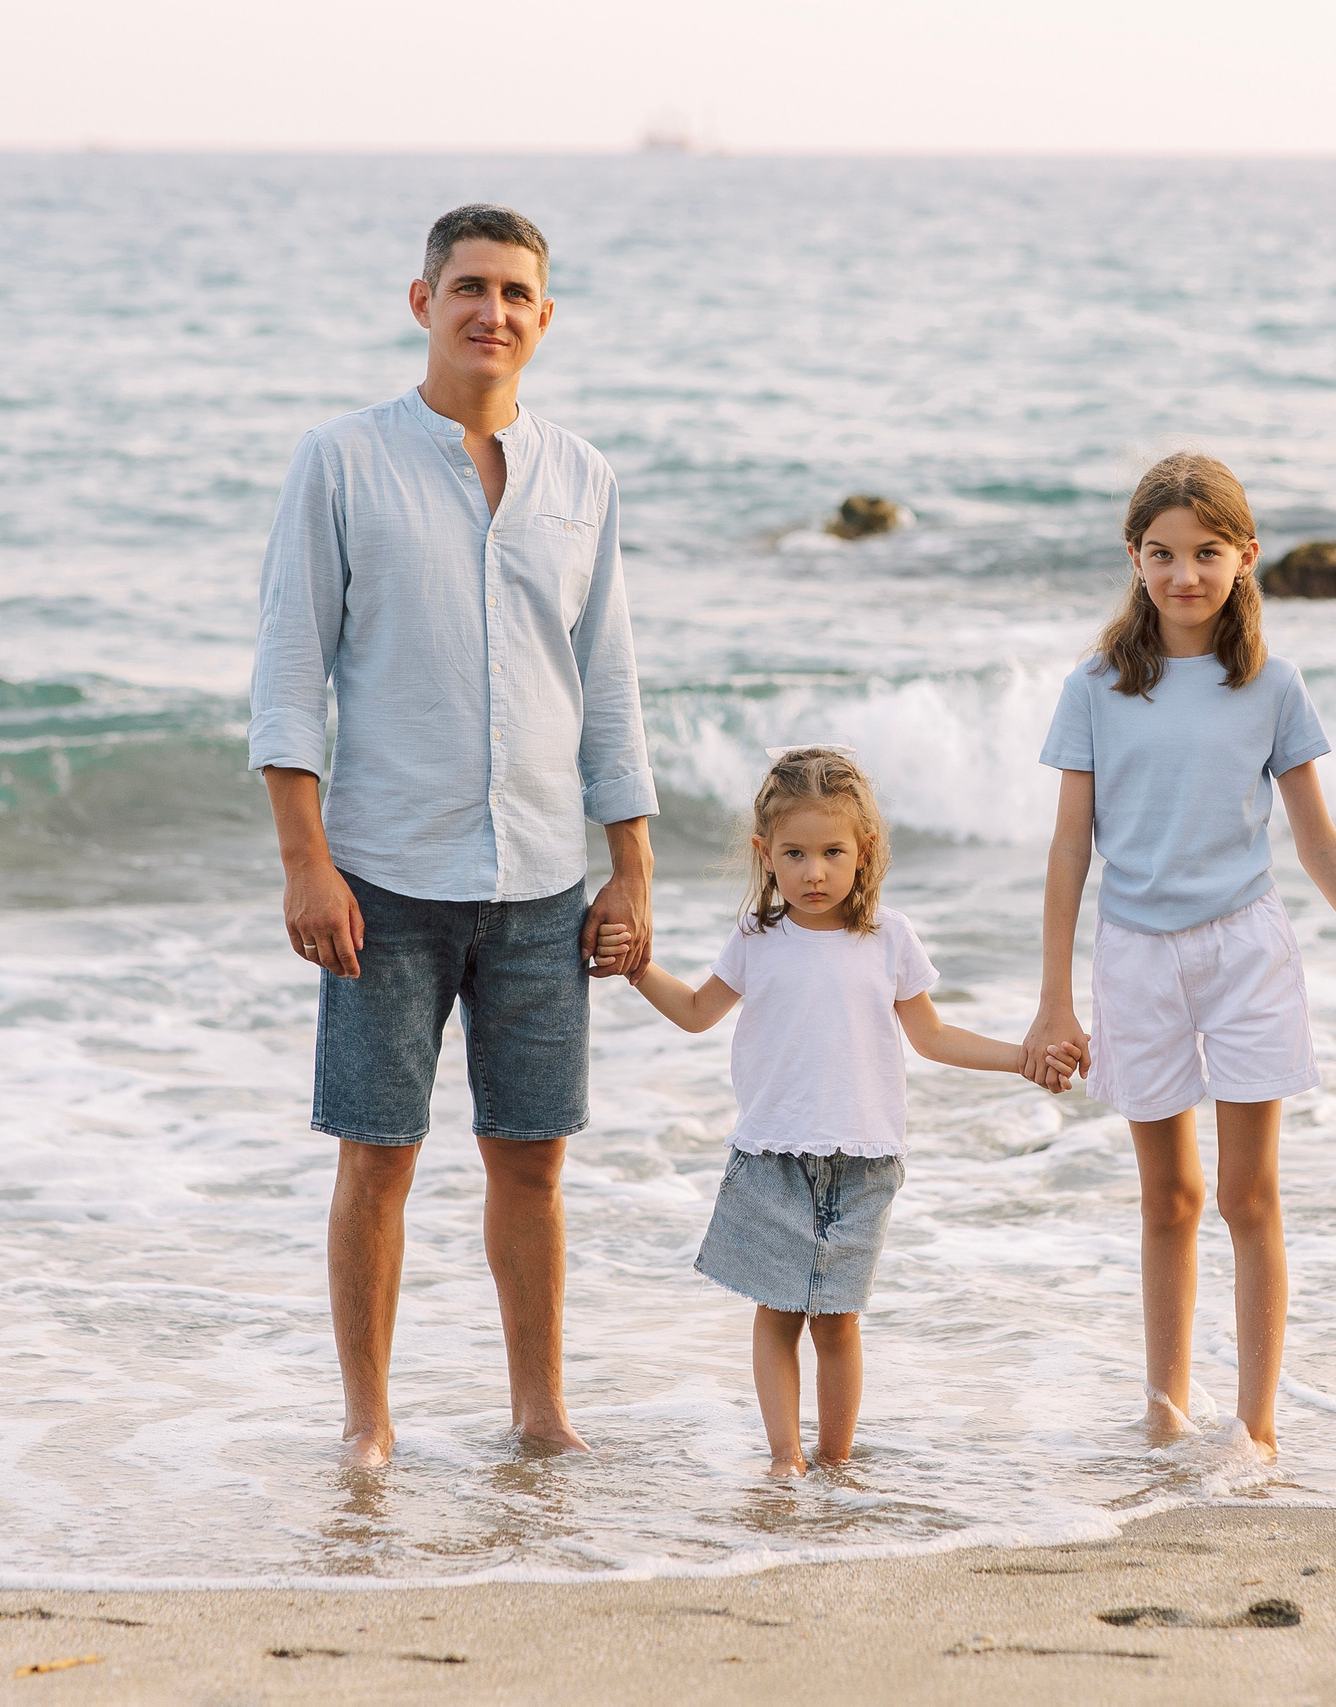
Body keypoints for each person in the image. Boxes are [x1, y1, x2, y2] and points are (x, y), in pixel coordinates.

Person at [247, 203, 657, 1470]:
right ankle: (368, 1424)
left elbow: (609, 684)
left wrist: (631, 863)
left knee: (532, 1165)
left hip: (543, 880)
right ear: (421, 302)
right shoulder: (342, 461)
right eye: (469, 287)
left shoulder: (581, 477)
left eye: (517, 293)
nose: (493, 312)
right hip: (384, 877)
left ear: (545, 317)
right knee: (378, 1161)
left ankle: (540, 1413)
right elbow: (287, 672)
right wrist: (305, 861)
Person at [1025, 453, 1336, 1461]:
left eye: (1205, 553)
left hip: (1245, 950)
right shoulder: (1096, 687)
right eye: (1161, 554)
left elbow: (1318, 844)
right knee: (1169, 1197)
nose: (1183, 574)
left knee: (1247, 1196)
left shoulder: (1272, 686)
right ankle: (1165, 1406)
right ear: (1133, 558)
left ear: (1245, 557)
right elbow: (1070, 848)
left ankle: (1256, 1427)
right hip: (1135, 957)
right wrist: (1053, 1002)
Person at [616, 748, 1074, 1475]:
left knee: (837, 1322)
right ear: (766, 855)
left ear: (865, 851)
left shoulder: (887, 938)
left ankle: (835, 1459)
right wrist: (638, 967)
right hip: (773, 1156)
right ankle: (784, 1456)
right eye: (795, 854)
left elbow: (932, 1035)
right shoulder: (757, 939)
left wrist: (1021, 1055)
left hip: (864, 1161)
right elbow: (698, 1013)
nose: (814, 871)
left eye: (833, 852)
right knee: (776, 1312)